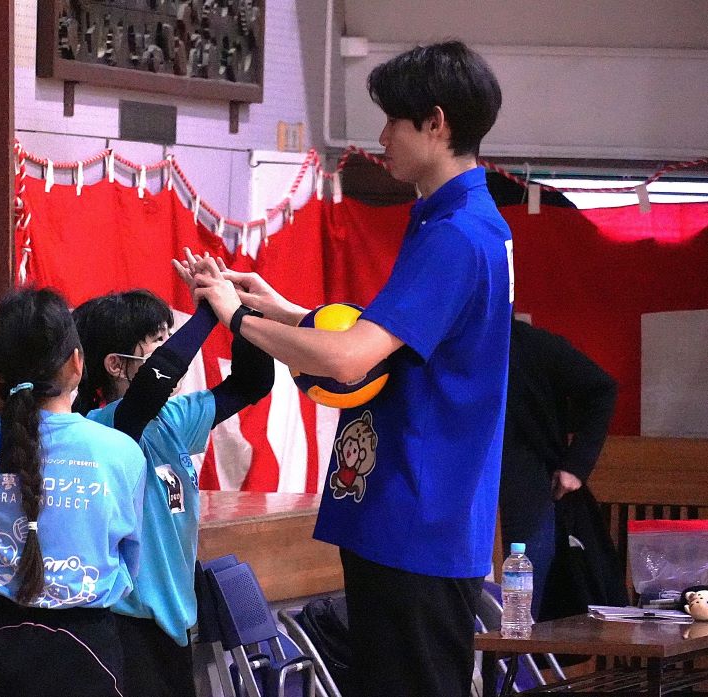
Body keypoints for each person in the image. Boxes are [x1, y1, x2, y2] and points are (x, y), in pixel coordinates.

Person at [177, 41, 511, 697]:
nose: (380, 137)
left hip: (416, 515)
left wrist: (236, 319)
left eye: (392, 120)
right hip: (419, 513)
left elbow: (349, 356)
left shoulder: (456, 234)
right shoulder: (460, 220)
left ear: (435, 123)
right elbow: (385, 339)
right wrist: (276, 306)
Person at [0, 287, 146, 697]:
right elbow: (130, 556)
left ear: (0, 368)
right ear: (77, 362)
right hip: (87, 649)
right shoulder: (120, 452)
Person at [72, 288, 274, 697]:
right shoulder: (100, 428)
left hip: (175, 625)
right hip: (123, 626)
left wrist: (240, 313)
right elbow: (154, 382)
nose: (172, 350)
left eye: (169, 337)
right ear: (116, 365)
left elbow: (252, 382)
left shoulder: (174, 418)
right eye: (158, 341)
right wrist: (209, 312)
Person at [501, 316, 618, 620]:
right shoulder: (445, 343)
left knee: (520, 612)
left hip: (524, 489)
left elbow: (601, 388)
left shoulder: (529, 343)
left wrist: (576, 466)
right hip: (461, 494)